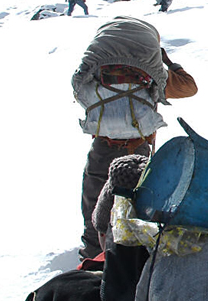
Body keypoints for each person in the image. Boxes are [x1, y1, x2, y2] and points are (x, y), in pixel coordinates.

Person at [71, 16, 198, 261]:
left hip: (102, 147)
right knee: (135, 205)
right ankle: (131, 260)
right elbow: (189, 87)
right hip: (138, 150)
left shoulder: (99, 73)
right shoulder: (152, 75)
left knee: (94, 202)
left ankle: (93, 258)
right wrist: (168, 63)